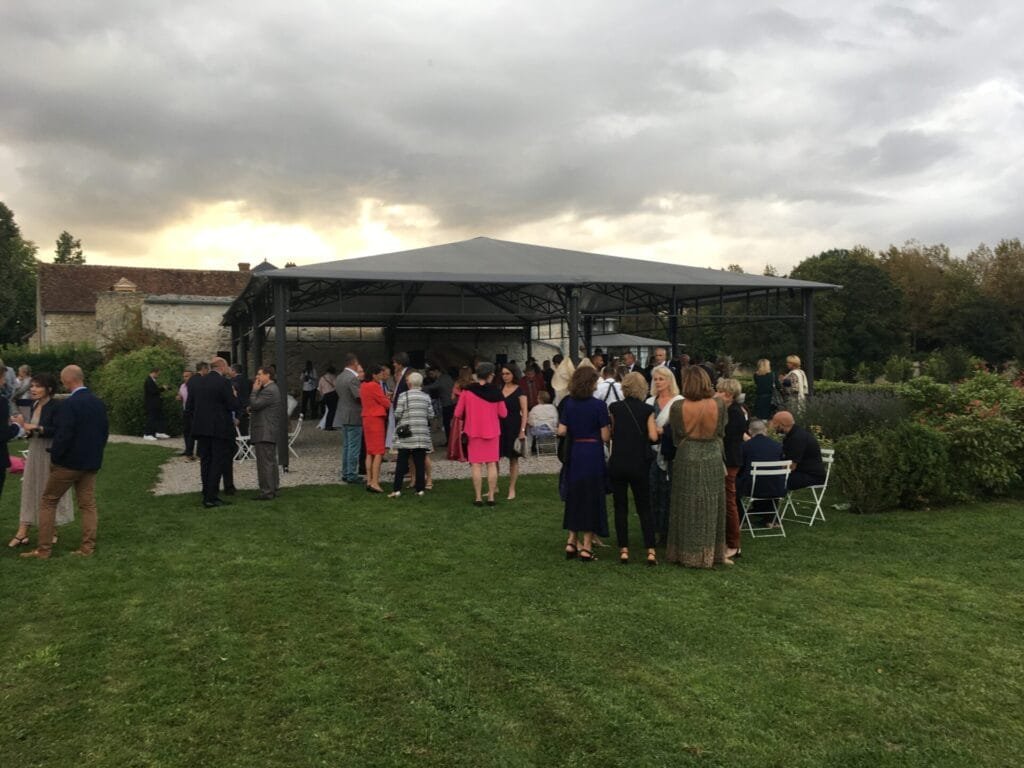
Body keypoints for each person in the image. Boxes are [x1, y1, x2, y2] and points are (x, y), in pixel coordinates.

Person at [20, 365, 109, 559]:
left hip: (68, 463)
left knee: (48, 502)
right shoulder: (98, 402)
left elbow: (63, 435)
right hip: (91, 462)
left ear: (66, 381)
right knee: (88, 505)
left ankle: (43, 550)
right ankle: (87, 547)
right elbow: (104, 433)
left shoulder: (69, 405)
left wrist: (56, 457)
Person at [666, 366, 729, 569]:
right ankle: (713, 552)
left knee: (685, 503)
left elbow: (676, 435)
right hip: (712, 453)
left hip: (687, 453)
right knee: (712, 504)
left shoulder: (678, 407)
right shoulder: (719, 404)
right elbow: (721, 430)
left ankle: (683, 552)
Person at [8, 373, 75, 548]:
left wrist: (35, 427)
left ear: (49, 389)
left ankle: (51, 528)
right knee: (30, 487)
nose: (33, 390)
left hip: (49, 453)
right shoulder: (35, 404)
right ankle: (23, 530)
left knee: (48, 490)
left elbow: (59, 430)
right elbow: (34, 430)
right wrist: (27, 429)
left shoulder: (56, 406)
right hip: (35, 451)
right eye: (32, 386)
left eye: (38, 386)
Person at [558, 366, 610, 562]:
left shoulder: (569, 404)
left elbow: (561, 430)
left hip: (576, 451)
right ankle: (587, 545)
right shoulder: (598, 406)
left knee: (575, 494)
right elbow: (605, 435)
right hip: (593, 452)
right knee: (592, 496)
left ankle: (572, 539)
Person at [608, 372, 659, 566]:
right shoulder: (647, 409)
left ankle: (623, 549)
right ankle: (651, 550)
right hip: (639, 463)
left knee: (620, 507)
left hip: (619, 461)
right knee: (644, 507)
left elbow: (611, 432)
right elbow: (653, 437)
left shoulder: (614, 408)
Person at [185, 356, 239, 508]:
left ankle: (205, 491)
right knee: (217, 461)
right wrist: (234, 396)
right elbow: (232, 405)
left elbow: (190, 406)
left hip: (202, 428)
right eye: (227, 366)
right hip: (218, 429)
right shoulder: (224, 382)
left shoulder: (198, 382)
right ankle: (211, 497)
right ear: (221, 367)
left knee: (206, 461)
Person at [453, 362, 506, 506]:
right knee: (491, 465)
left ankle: (477, 497)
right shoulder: (496, 391)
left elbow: (457, 412)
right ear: (490, 375)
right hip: (492, 432)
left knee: (476, 465)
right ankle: (490, 497)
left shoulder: (467, 391)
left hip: (473, 432)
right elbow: (503, 413)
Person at [646, 366, 682, 546]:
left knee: (670, 492)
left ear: (669, 381)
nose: (658, 382)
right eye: (656, 379)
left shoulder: (678, 402)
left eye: (661, 379)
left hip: (671, 453)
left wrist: (662, 430)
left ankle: (669, 532)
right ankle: (655, 529)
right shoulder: (649, 401)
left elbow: (681, 428)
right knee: (653, 491)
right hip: (652, 452)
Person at [389, 371, 434, 497]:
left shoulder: (403, 396)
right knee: (420, 463)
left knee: (401, 462)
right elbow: (431, 414)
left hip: (406, 435)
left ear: (409, 383)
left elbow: (397, 413)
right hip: (421, 434)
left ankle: (397, 489)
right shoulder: (426, 397)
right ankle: (420, 489)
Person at [717, 377, 748, 559]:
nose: (718, 394)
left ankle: (734, 543)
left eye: (721, 391)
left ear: (729, 395)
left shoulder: (735, 413)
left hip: (730, 460)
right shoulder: (728, 410)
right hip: (727, 458)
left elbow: (728, 436)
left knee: (730, 500)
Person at [736, 419, 786, 514]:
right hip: (777, 487)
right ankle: (770, 518)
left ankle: (741, 516)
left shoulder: (745, 446)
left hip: (752, 488)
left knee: (733, 483)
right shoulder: (777, 446)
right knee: (769, 478)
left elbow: (740, 467)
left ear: (750, 431)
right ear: (765, 430)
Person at [248, 365, 282, 500]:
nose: (257, 377)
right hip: (268, 430)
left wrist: (254, 391)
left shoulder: (269, 390)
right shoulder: (271, 389)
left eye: (259, 374)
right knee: (270, 462)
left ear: (268, 375)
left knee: (265, 464)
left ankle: (266, 492)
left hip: (264, 431)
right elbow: (259, 406)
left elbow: (256, 404)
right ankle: (273, 488)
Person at [771, 410, 826, 490]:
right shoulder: (793, 434)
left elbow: (791, 466)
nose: (774, 427)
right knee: (770, 479)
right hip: (802, 472)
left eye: (775, 424)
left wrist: (771, 469)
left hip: (811, 476)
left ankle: (769, 501)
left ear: (782, 425)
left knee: (772, 481)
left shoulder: (797, 438)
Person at [497, 363, 528, 501]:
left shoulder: (520, 391)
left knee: (513, 459)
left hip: (514, 426)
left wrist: (522, 430)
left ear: (514, 374)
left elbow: (525, 412)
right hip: (498, 426)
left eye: (507, 373)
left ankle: (512, 488)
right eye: (503, 374)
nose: (505, 376)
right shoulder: (499, 389)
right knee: (494, 458)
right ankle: (495, 485)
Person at [360, 364, 391, 493]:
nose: (382, 377)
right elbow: (386, 403)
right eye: (380, 374)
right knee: (378, 451)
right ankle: (375, 482)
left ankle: (369, 480)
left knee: (369, 451)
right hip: (376, 419)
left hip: (367, 418)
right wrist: (388, 398)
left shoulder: (363, 386)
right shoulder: (374, 386)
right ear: (374, 374)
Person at [335, 352, 363, 484]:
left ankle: (346, 472)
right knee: (353, 447)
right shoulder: (352, 378)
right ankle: (351, 474)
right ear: (354, 363)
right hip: (354, 415)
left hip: (344, 413)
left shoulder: (340, 377)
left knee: (347, 446)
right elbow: (358, 396)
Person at [143, 367, 170, 440]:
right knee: (151, 418)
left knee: (159, 417)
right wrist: (163, 388)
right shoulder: (148, 381)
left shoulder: (152, 380)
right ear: (154, 372)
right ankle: (147, 434)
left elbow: (155, 391)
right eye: (158, 374)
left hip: (156, 403)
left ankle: (159, 432)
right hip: (151, 403)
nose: (158, 375)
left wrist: (162, 389)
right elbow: (153, 391)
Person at [177, 369, 196, 460]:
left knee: (192, 432)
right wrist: (179, 397)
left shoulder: (195, 386)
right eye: (184, 376)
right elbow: (180, 396)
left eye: (187, 376)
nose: (185, 378)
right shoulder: (182, 386)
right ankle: (187, 449)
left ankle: (190, 452)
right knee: (186, 431)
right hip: (185, 411)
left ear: (192, 377)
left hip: (194, 412)